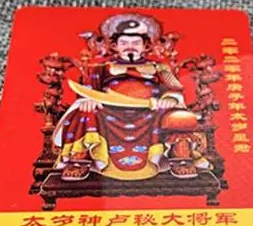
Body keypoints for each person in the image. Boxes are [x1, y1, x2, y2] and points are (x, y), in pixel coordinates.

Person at [53, 16, 211, 181]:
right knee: (84, 113)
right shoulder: (100, 69)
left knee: (180, 117)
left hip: (152, 111)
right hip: (108, 111)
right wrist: (88, 100)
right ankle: (79, 160)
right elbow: (88, 90)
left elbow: (175, 88)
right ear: (115, 46)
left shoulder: (159, 68)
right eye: (124, 43)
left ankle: (180, 159)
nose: (130, 47)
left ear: (145, 46)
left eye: (136, 43)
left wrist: (170, 99)